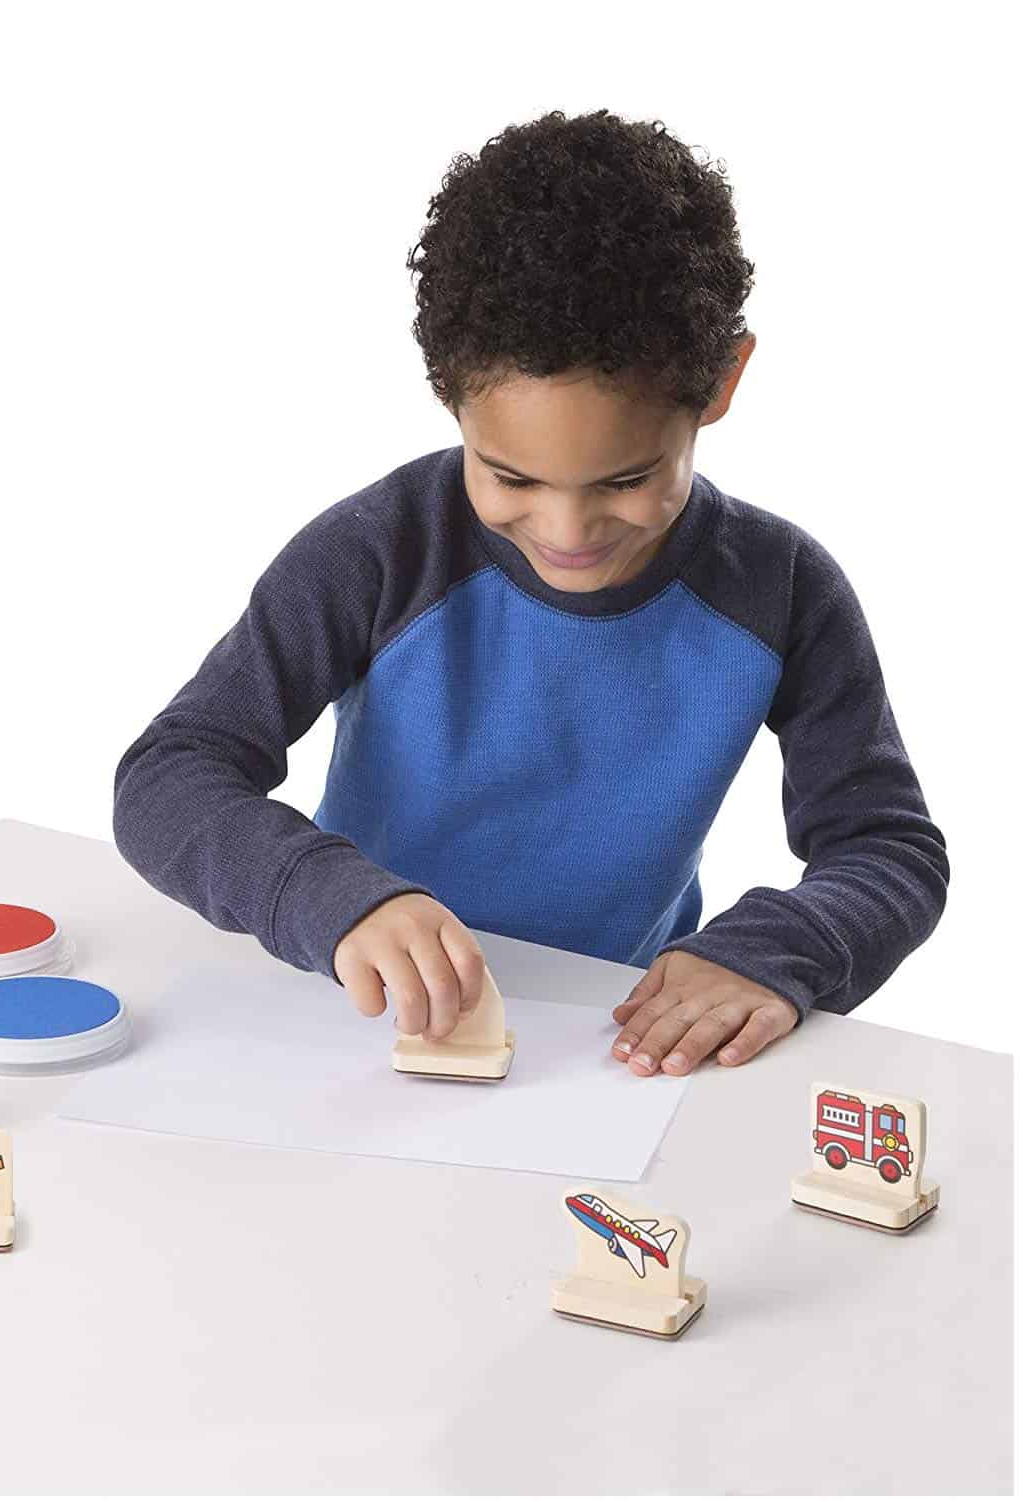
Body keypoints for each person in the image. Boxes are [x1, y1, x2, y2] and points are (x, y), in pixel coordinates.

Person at [112, 109, 948, 1077]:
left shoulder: (784, 591)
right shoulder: (381, 552)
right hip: (361, 1038)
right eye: (510, 477)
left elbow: (890, 848)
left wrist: (772, 952)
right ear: (450, 395)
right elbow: (167, 776)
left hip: (612, 1057)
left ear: (721, 383)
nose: (567, 532)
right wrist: (335, 898)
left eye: (627, 480)